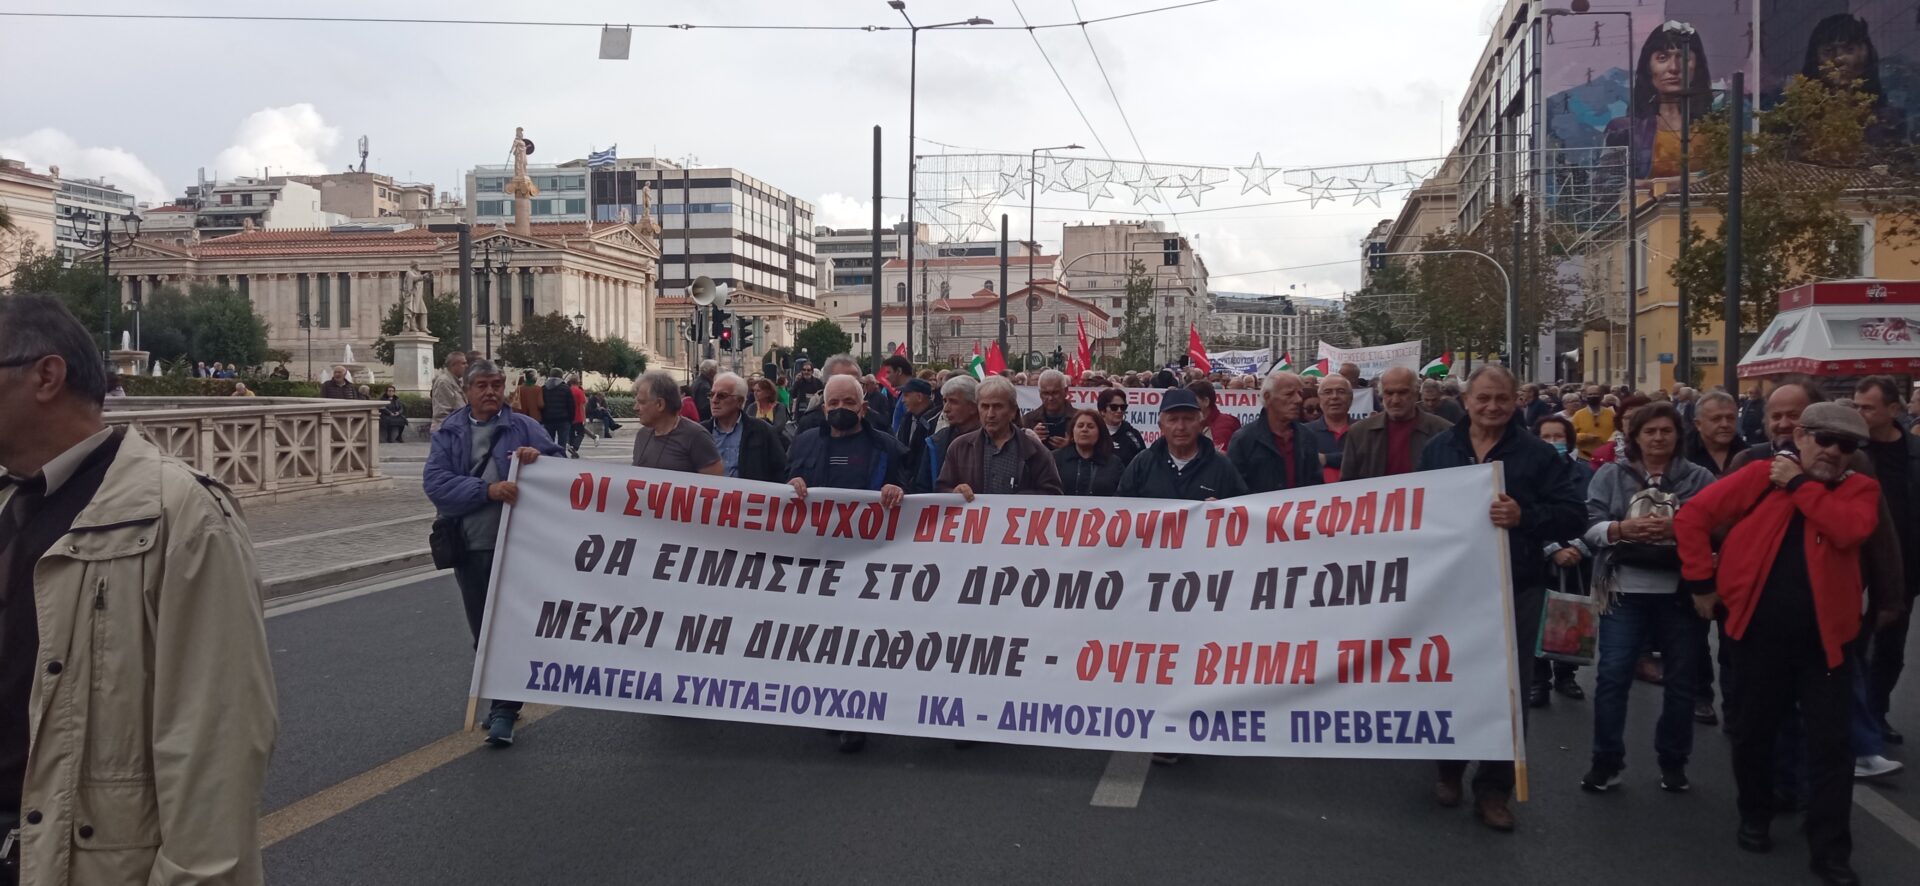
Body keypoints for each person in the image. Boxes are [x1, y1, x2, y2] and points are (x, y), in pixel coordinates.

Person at [0, 295, 276, 886]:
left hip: (82, 862)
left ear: (45, 376)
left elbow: (216, 739)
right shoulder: (10, 501)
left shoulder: (181, 512)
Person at [1676, 403, 1896, 886]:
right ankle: (1754, 814)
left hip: (1828, 643)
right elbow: (1692, 517)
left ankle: (1831, 851)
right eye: (1824, 439)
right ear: (1800, 436)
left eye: (1847, 445)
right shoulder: (1759, 475)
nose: (1834, 451)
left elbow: (1849, 531)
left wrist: (1798, 484)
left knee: (1832, 747)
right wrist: (1701, 583)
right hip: (1757, 635)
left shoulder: (1860, 489)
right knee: (1753, 732)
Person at [1416, 365, 1585, 831]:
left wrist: (1524, 516)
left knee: (1508, 687)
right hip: (1452, 587)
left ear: (1516, 402)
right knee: (1451, 680)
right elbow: (1416, 509)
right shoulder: (1439, 449)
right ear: (1466, 401)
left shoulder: (1537, 454)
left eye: (1502, 399)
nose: (1492, 407)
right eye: (1484, 398)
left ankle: (1494, 789)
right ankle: (1449, 770)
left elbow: (1574, 514)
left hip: (1516, 584)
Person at [424, 359, 563, 748]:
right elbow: (436, 483)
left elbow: (563, 472)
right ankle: (502, 696)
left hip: (519, 545)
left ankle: (504, 707)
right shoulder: (450, 432)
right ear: (467, 390)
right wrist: (486, 491)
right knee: (484, 631)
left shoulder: (524, 427)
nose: (490, 392)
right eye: (482, 385)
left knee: (509, 628)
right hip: (472, 546)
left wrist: (539, 461)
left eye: (497, 385)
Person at [1579, 402, 1715, 794]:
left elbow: (1718, 525)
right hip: (1623, 591)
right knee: (1612, 676)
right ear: (1635, 437)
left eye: (1666, 431)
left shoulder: (1699, 477)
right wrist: (1623, 529)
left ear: (1678, 436)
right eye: (1650, 431)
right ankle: (1606, 761)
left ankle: (1673, 761)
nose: (1658, 438)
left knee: (1681, 682)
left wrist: (1677, 528)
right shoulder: (1610, 474)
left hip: (1680, 593)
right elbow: (1590, 524)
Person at [787, 375, 908, 755]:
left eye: (848, 403)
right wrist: (790, 484)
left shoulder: (888, 447)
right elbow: (777, 487)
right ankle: (830, 704)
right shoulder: (804, 442)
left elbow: (918, 495)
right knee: (822, 639)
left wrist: (899, 490)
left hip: (868, 564)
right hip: (817, 560)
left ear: (863, 407)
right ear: (823, 407)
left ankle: (855, 717)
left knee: (858, 641)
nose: (840, 409)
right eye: (834, 403)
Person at [1853, 376, 1920, 747]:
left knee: (1891, 649)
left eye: (1868, 407)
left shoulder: (1914, 453)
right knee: (1854, 647)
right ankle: (1855, 721)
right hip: (1856, 567)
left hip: (1902, 568)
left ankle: (1876, 714)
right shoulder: (1850, 450)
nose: (1860, 413)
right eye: (1857, 406)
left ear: (1893, 410)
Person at [1532, 413, 1595, 707]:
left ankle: (1566, 675)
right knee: (1536, 617)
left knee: (1571, 615)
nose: (1553, 442)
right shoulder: (1529, 472)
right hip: (1539, 556)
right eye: (1546, 437)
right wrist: (1553, 548)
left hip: (1578, 557)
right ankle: (1538, 680)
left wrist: (1578, 547)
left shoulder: (1586, 473)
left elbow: (1594, 513)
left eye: (1558, 437)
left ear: (1569, 441)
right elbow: (1526, 513)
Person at [1605, 21, 1712, 179]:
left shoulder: (1715, 128)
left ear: (1697, 66)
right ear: (1649, 67)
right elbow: (1609, 186)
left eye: (1683, 57)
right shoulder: (1623, 130)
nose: (1674, 68)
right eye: (1662, 58)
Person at [939, 377, 1064, 499]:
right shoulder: (960, 447)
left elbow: (1053, 495)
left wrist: (1015, 501)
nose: (990, 414)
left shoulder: (1035, 450)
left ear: (1013, 410)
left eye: (998, 406)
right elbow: (941, 489)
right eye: (985, 406)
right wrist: (955, 492)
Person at [1118, 387, 1247, 502]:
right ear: (1161, 426)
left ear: (1200, 424)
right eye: (1173, 420)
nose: (1181, 427)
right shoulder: (1142, 464)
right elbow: (1121, 507)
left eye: (1188, 419)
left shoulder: (1222, 466)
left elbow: (1243, 509)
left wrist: (1224, 509)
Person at [1342, 366, 1453, 481]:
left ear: (1416, 393)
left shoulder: (1444, 431)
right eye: (1389, 393)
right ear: (1381, 395)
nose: (1395, 400)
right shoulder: (1358, 433)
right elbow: (1348, 483)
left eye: (1403, 392)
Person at [1227, 371, 1322, 493]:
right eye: (1289, 394)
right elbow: (1233, 488)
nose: (1298, 400)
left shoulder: (1307, 436)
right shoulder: (1244, 439)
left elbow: (1316, 484)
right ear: (1268, 397)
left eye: (1299, 393)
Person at [629, 370, 724, 475]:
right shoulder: (642, 435)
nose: (635, 408)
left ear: (660, 404)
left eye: (641, 402)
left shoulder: (696, 436)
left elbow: (715, 481)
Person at [703, 372, 787, 483]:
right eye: (711, 394)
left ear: (740, 401)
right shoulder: (699, 433)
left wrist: (791, 484)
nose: (714, 400)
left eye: (721, 396)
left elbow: (781, 471)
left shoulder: (763, 431)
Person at [919, 375, 981, 494]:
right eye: (945, 401)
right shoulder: (936, 442)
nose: (946, 409)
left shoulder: (993, 441)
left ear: (973, 407)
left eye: (953, 402)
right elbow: (922, 488)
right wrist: (951, 493)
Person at [1053, 408, 1122, 496]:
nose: (1084, 430)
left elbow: (1121, 494)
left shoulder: (1113, 463)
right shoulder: (1055, 459)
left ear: (1100, 432)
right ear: (1072, 431)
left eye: (1090, 426)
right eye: (1080, 426)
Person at [1308, 375, 1353, 483]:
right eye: (1328, 392)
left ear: (1351, 398)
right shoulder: (1305, 433)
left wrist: (1325, 459)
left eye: (1341, 392)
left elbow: (1368, 460)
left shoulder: (1365, 431)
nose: (1334, 397)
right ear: (1319, 398)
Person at [1686, 391, 1741, 478]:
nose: (1725, 424)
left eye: (1730, 418)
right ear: (1698, 424)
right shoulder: (1680, 455)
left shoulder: (1749, 455)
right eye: (1716, 419)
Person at [894, 377, 939, 486]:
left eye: (906, 395)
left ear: (919, 397)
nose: (903, 400)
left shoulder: (933, 422)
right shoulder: (906, 419)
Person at [1024, 369, 1074, 450]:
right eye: (1046, 393)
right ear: (1040, 394)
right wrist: (1032, 439)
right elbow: (1018, 452)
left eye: (1055, 393)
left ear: (1065, 391)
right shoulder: (1028, 420)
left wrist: (1071, 447)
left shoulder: (1079, 419)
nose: (1050, 398)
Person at [1097, 387, 1145, 466]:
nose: (1119, 411)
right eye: (1114, 407)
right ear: (1102, 411)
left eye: (1123, 407)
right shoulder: (1093, 433)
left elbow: (1142, 463)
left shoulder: (1134, 435)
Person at [1571, 384, 1618, 461]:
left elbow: (1617, 433)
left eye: (1596, 394)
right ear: (1586, 396)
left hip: (1607, 457)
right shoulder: (1578, 415)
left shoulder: (1611, 414)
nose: (1593, 396)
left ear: (1602, 396)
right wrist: (1585, 437)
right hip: (1585, 457)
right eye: (1590, 394)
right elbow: (1571, 436)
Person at [1191, 380, 1241, 445]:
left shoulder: (1223, 426)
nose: (1188, 405)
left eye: (1192, 400)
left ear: (1206, 401)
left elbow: (1220, 450)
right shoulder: (1198, 424)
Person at [430, 352, 468, 433]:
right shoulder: (444, 382)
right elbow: (443, 411)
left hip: (456, 427)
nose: (466, 366)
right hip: (447, 430)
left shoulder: (457, 381)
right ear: (453, 365)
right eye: (463, 363)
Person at [539, 370, 574, 454]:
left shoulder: (544, 388)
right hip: (563, 419)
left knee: (549, 441)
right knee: (562, 443)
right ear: (561, 376)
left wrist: (543, 418)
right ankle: (561, 458)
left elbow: (541, 404)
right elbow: (571, 405)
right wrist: (571, 419)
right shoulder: (566, 388)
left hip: (548, 419)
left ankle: (551, 457)